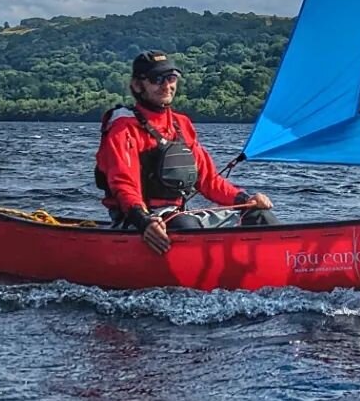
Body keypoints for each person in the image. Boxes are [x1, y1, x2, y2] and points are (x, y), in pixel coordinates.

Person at [95, 50, 278, 254]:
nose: (167, 86)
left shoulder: (181, 124)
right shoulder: (123, 127)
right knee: (185, 227)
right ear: (138, 85)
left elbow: (209, 181)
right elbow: (123, 184)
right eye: (157, 79)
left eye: (171, 78)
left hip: (177, 216)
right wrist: (144, 221)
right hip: (138, 222)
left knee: (259, 216)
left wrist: (246, 199)